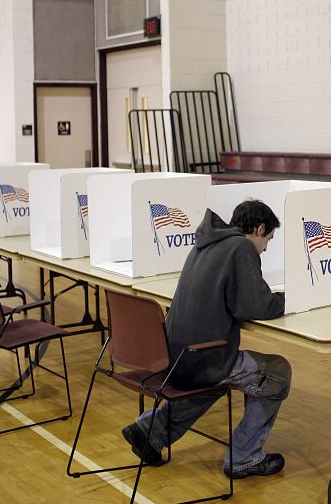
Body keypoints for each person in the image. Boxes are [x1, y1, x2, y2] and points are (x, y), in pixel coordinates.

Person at [122, 199, 291, 479]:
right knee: (278, 373)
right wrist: (288, 299)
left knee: (213, 382)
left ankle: (150, 431)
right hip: (203, 357)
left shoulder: (205, 243)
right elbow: (254, 306)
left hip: (172, 355)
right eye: (268, 239)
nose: (266, 247)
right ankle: (245, 457)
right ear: (260, 228)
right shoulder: (242, 248)